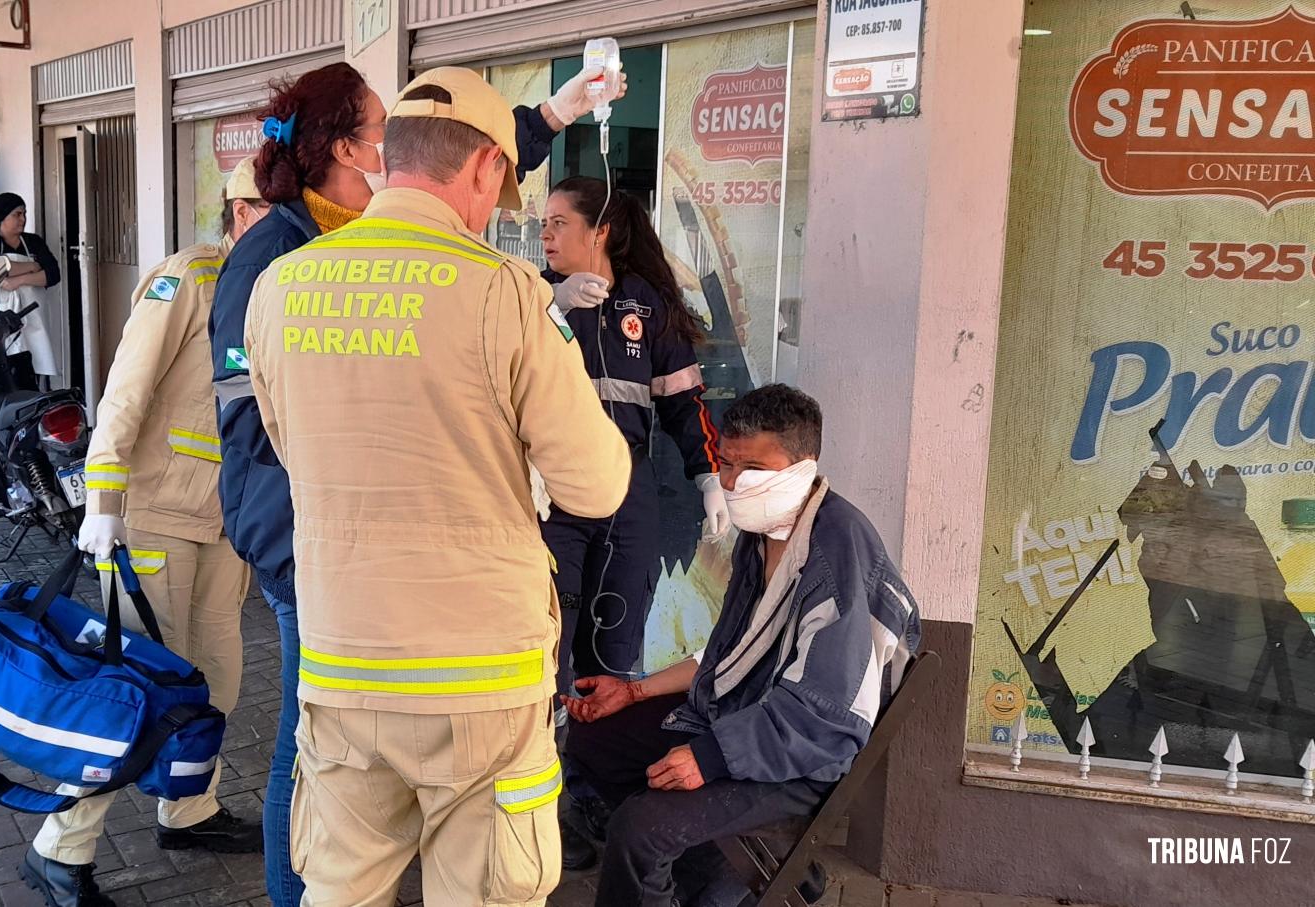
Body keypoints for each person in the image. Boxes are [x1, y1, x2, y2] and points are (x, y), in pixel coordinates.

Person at [208, 59, 623, 907]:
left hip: (342, 665)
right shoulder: (504, 292)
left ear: (388, 157)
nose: (489, 215)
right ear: (482, 168)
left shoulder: (279, 284)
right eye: (496, 190)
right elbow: (596, 486)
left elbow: (287, 446)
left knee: (340, 889)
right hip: (481, 684)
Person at [560, 384, 923, 907]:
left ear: (803, 466)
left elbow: (824, 714)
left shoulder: (837, 550)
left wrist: (708, 757)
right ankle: (722, 875)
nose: (732, 482)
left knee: (641, 831)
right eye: (726, 465)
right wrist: (635, 693)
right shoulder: (765, 534)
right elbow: (727, 651)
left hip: (803, 752)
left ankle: (715, 878)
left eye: (750, 468)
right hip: (744, 717)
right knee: (597, 742)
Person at [17, 161, 270, 907]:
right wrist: (104, 495)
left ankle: (189, 806)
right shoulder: (187, 279)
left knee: (215, 680)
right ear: (243, 213)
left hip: (228, 521)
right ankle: (59, 846)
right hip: (154, 514)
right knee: (131, 688)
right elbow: (125, 389)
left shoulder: (275, 292)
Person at [537, 175, 726, 708]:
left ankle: (592, 779)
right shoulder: (528, 296)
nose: (546, 236)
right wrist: (552, 304)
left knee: (613, 636)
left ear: (600, 231)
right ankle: (540, 752)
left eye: (559, 223)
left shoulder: (644, 305)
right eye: (543, 225)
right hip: (554, 494)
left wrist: (709, 476)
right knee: (550, 630)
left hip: (627, 491)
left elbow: (684, 402)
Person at [0, 192, 61, 389]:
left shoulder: (33, 242)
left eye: (24, 214)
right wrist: (33, 266)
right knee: (3, 370)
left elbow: (53, 274)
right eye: (17, 214)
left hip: (32, 315)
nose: (23, 219)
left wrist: (19, 279)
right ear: (2, 217)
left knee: (32, 367)